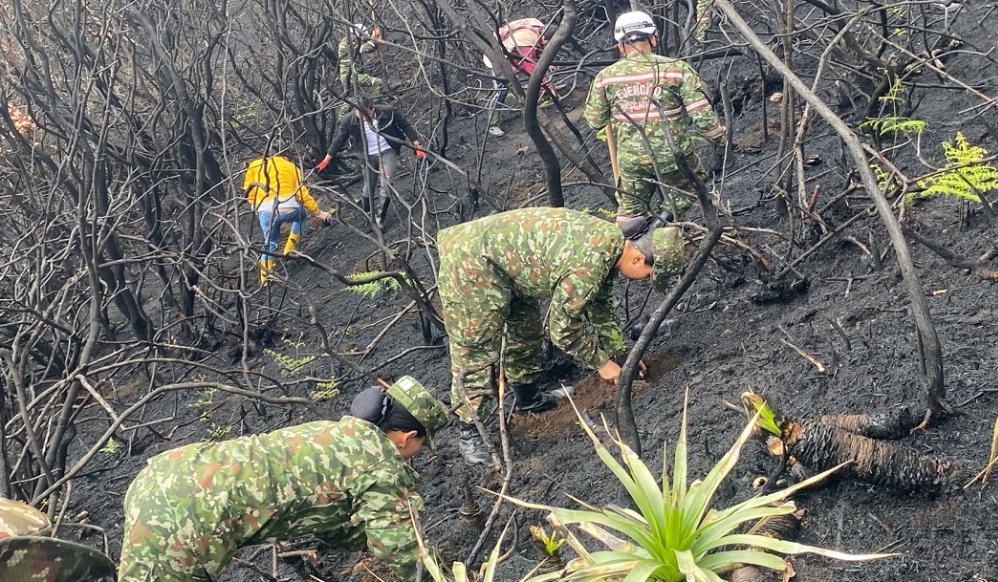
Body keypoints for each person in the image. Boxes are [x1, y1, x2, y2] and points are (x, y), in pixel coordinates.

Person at [118, 375, 449, 581]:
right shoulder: (379, 461)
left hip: (163, 474)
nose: (414, 453)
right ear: (406, 436)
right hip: (190, 516)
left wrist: (368, 538)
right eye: (420, 445)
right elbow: (401, 548)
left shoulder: (332, 434)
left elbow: (330, 518)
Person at [437, 207, 687, 465]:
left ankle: (528, 400)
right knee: (477, 349)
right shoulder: (589, 260)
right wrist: (603, 364)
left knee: (525, 328)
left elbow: (599, 306)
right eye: (648, 276)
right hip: (471, 264)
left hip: (509, 267)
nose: (644, 282)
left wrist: (621, 354)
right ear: (637, 259)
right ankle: (469, 431)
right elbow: (563, 329)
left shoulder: (610, 247)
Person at [583, 10, 726, 232]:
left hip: (631, 162)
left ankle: (632, 253)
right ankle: (665, 227)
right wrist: (721, 139)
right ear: (653, 38)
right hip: (674, 159)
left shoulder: (606, 78)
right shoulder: (677, 69)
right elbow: (703, 117)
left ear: (620, 45)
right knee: (684, 196)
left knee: (629, 213)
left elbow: (594, 121)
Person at [315, 101, 426, 230]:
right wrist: (327, 159)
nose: (361, 118)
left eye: (364, 114)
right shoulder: (349, 120)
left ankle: (380, 218)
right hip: (367, 155)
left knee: (387, 183)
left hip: (387, 151)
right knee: (369, 185)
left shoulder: (387, 111)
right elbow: (340, 139)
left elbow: (405, 126)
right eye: (358, 115)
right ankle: (368, 215)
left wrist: (417, 144)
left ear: (371, 109)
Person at [242, 154, 332, 284]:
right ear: (286, 157)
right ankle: (289, 250)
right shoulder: (291, 167)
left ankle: (265, 279)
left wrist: (255, 207)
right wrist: (318, 213)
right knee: (302, 215)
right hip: (288, 209)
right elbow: (302, 193)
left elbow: (248, 191)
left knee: (270, 242)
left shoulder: (254, 166)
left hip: (265, 211)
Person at [481, 17, 554, 137]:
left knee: (521, 82)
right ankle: (493, 124)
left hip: (513, 54)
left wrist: (548, 63)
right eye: (548, 42)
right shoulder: (526, 39)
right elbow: (531, 69)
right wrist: (548, 85)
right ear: (544, 37)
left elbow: (538, 49)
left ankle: (542, 96)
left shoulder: (537, 26)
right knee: (501, 91)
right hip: (498, 59)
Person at [338, 23, 385, 97]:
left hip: (355, 74)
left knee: (353, 101)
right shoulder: (346, 43)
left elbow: (368, 46)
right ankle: (376, 102)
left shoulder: (352, 41)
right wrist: (374, 37)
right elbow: (367, 48)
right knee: (377, 82)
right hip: (349, 77)